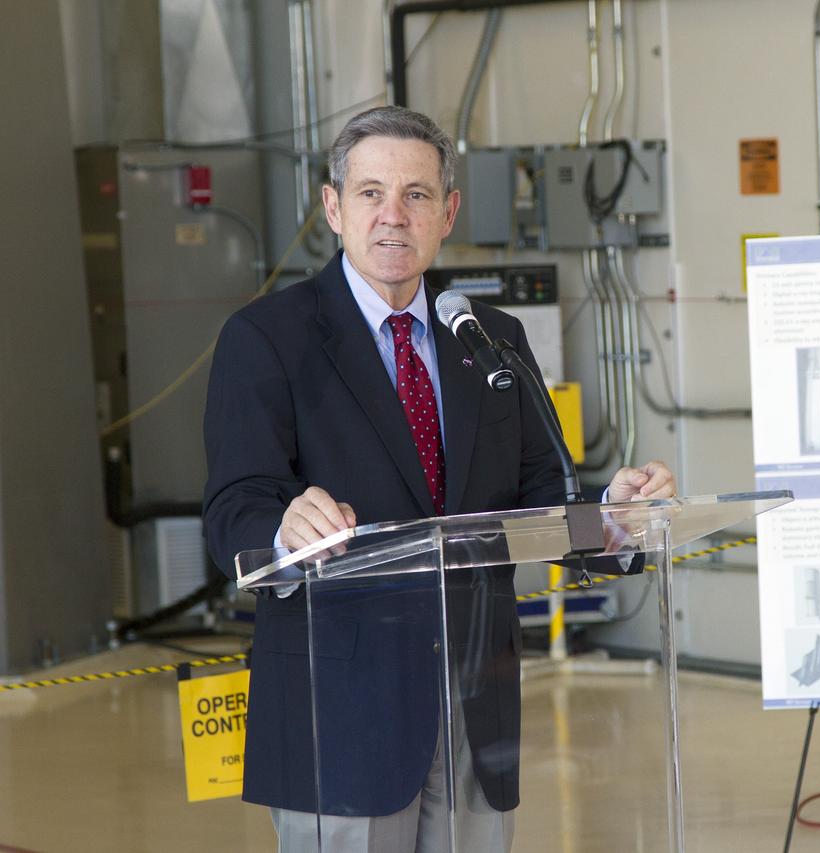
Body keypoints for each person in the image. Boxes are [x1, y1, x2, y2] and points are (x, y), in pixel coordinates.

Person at [202, 105, 676, 852]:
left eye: (417, 194)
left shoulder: (489, 339)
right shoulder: (267, 338)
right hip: (342, 715)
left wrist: (613, 514)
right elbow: (234, 506)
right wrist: (282, 524)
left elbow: (539, 499)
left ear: (448, 211)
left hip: (473, 704)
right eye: (370, 193)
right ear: (333, 206)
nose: (394, 215)